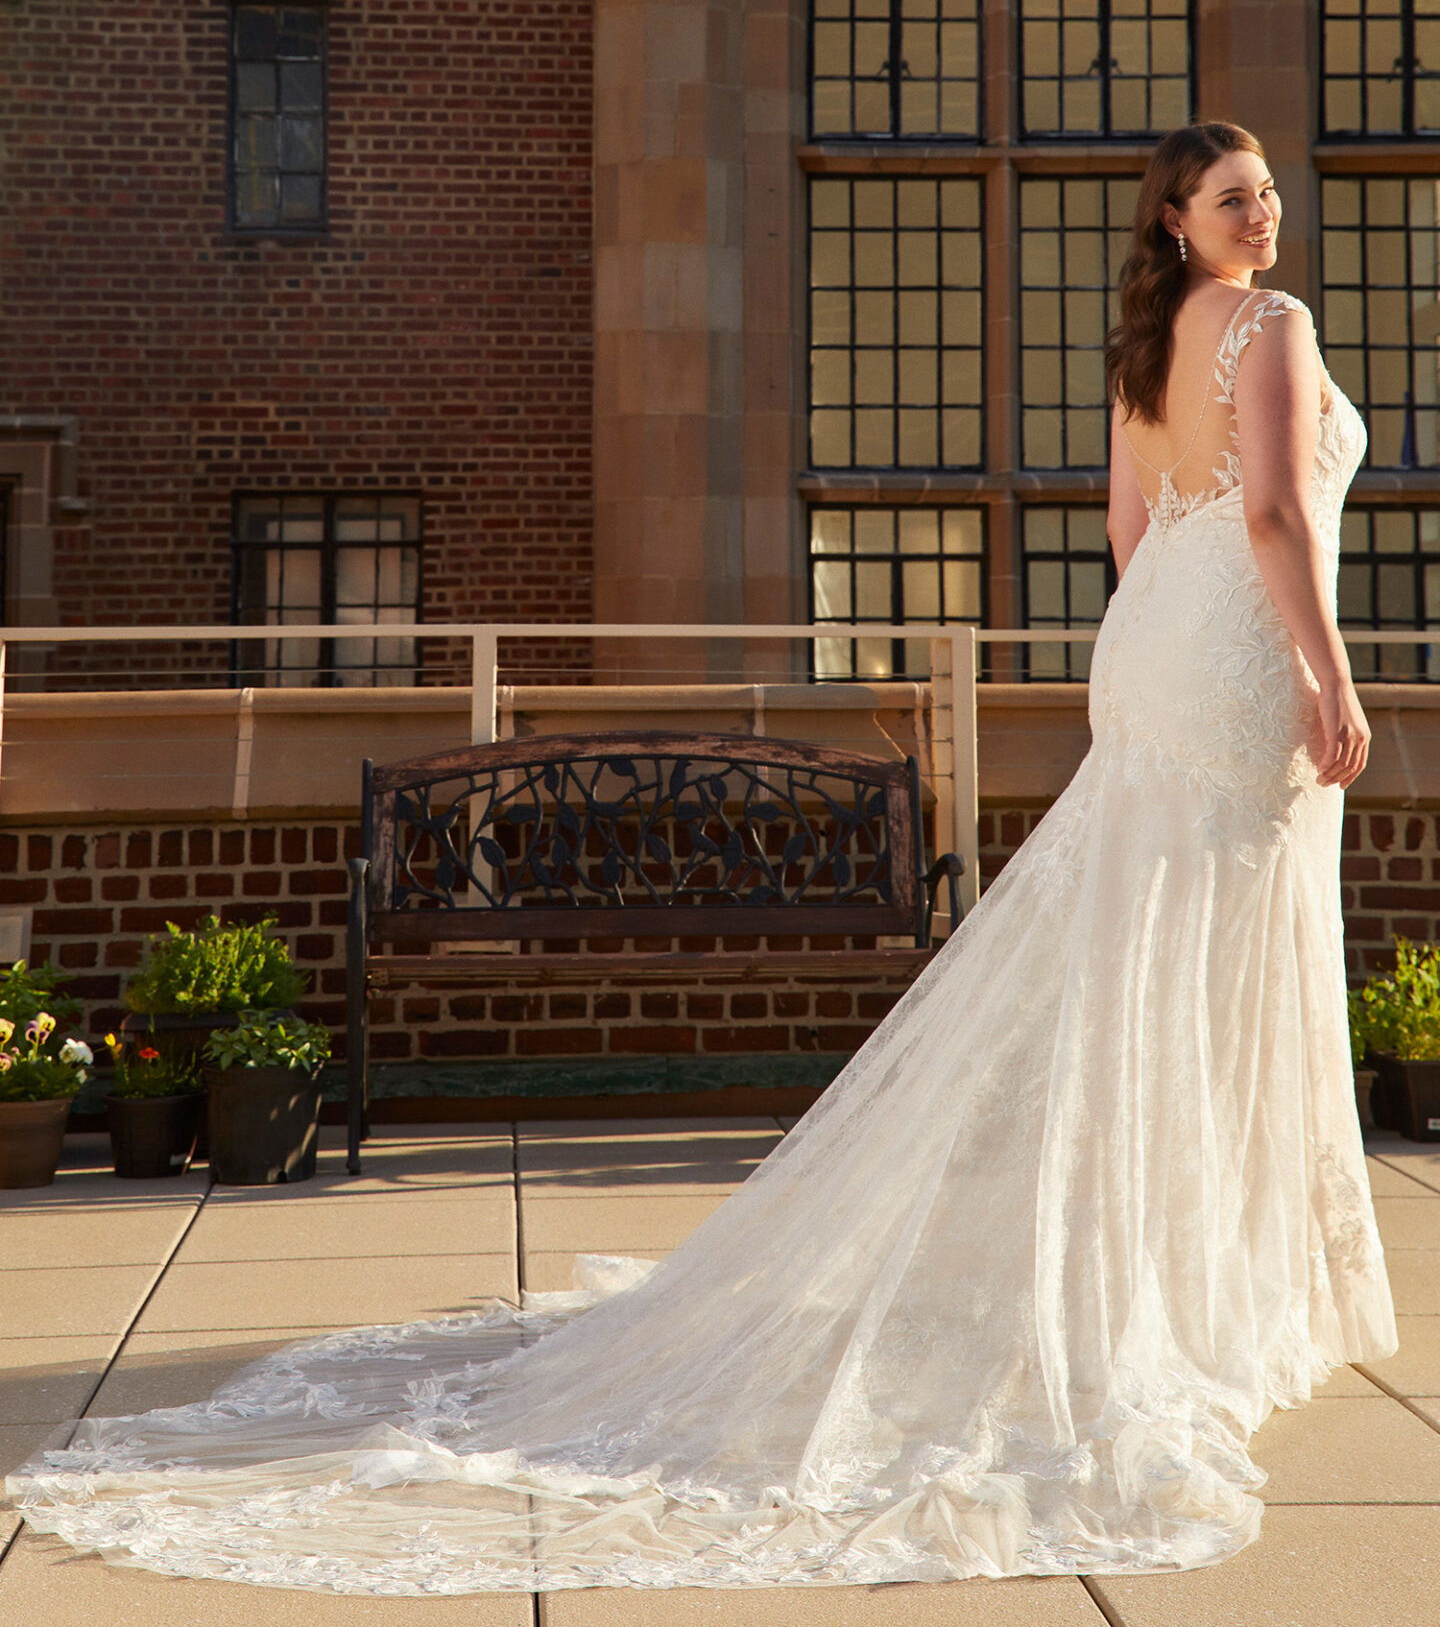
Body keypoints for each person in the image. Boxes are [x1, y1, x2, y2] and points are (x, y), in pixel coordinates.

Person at [5, 119, 1397, 1595]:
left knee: (1137, 968)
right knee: (1203, 967)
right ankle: (1201, 1295)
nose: (1266, 211)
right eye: (1235, 196)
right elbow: (1269, 511)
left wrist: (1176, 643)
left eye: (1267, 192)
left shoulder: (1141, 349)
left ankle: (1167, 1281)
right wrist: (1330, 672)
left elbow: (1131, 532)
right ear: (1178, 217)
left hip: (1155, 653)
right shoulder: (1277, 323)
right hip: (1240, 656)